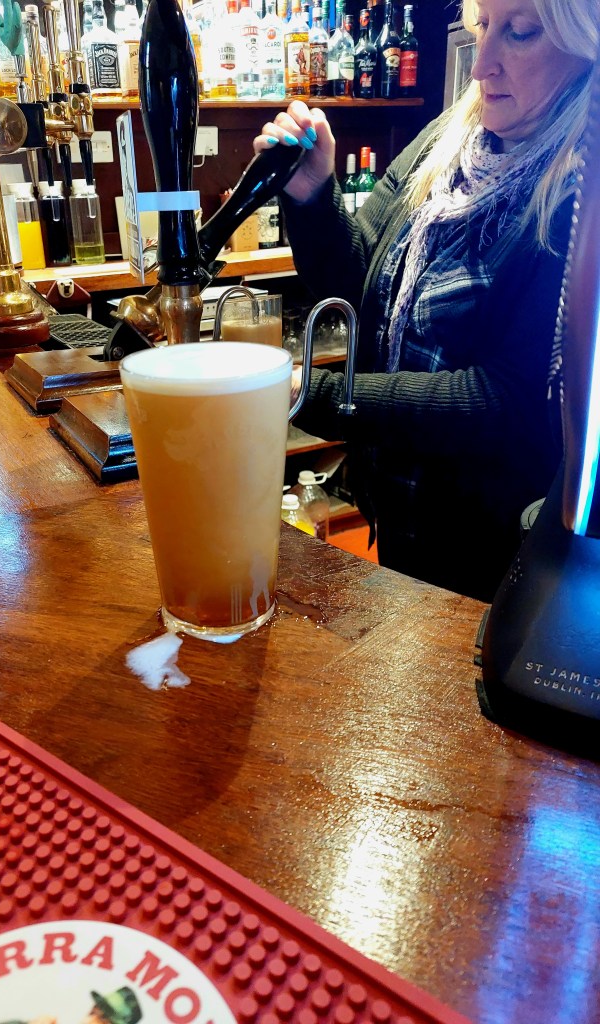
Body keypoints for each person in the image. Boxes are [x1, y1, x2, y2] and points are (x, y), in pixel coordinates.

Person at [255, 0, 597, 600]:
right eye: (483, 27)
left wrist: (315, 393)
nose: (481, 65)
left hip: (491, 547)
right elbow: (359, 280)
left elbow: (503, 400)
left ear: (585, 44)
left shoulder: (582, 194)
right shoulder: (450, 138)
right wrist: (312, 196)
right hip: (401, 509)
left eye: (520, 32)